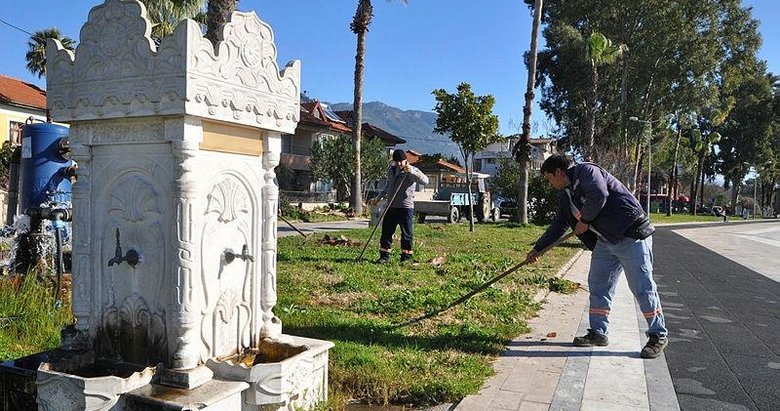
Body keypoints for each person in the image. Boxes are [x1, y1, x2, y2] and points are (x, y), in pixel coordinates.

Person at [526, 154, 669, 359]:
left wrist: (585, 220)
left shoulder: (587, 172)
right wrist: (538, 249)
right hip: (606, 241)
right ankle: (598, 333)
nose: (550, 184)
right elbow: (559, 225)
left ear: (559, 172)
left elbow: (599, 194)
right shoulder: (565, 196)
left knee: (642, 287)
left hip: (631, 235)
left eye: (549, 178)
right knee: (598, 285)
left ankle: (658, 335)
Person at [369, 149, 429, 264]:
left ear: (405, 160)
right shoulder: (391, 171)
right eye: (396, 162)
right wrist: (378, 197)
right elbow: (388, 186)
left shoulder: (412, 170)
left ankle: (406, 257)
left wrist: (412, 172)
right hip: (391, 206)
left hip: (405, 207)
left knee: (406, 233)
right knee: (386, 232)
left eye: (401, 161)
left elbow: (425, 181)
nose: (399, 164)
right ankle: (384, 256)